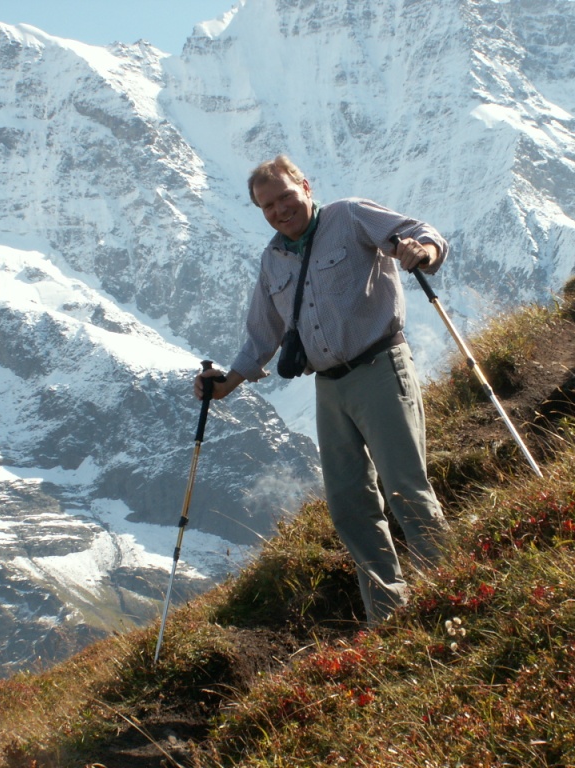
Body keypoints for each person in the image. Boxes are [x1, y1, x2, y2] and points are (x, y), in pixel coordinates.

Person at [195, 154, 449, 625]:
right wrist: (225, 385)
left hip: (379, 366)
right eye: (267, 206)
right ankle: (389, 619)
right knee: (351, 507)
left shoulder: (350, 215)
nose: (279, 210)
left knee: (405, 488)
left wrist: (423, 251)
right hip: (328, 388)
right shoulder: (272, 260)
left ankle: (455, 591)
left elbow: (418, 232)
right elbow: (262, 333)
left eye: (285, 197)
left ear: (305, 187)